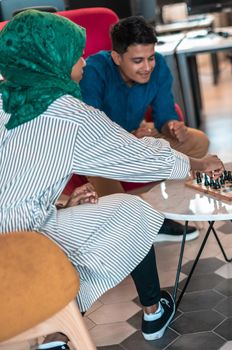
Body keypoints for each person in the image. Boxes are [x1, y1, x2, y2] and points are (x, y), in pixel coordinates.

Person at [0, 10, 224, 349]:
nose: (84, 63)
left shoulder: (4, 99)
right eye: (75, 54)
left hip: (12, 231)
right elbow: (138, 159)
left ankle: (57, 327)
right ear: (53, 58)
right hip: (24, 243)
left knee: (98, 210)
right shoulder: (69, 112)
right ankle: (62, 320)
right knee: (133, 212)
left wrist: (61, 202)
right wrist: (198, 165)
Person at [79, 16, 210, 243]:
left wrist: (171, 125)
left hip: (138, 136)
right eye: (138, 61)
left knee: (198, 141)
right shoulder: (93, 70)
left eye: (150, 58)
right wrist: (128, 138)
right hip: (102, 147)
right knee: (98, 166)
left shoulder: (159, 66)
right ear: (117, 57)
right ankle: (141, 222)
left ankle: (162, 210)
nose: (148, 67)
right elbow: (91, 130)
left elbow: (165, 111)